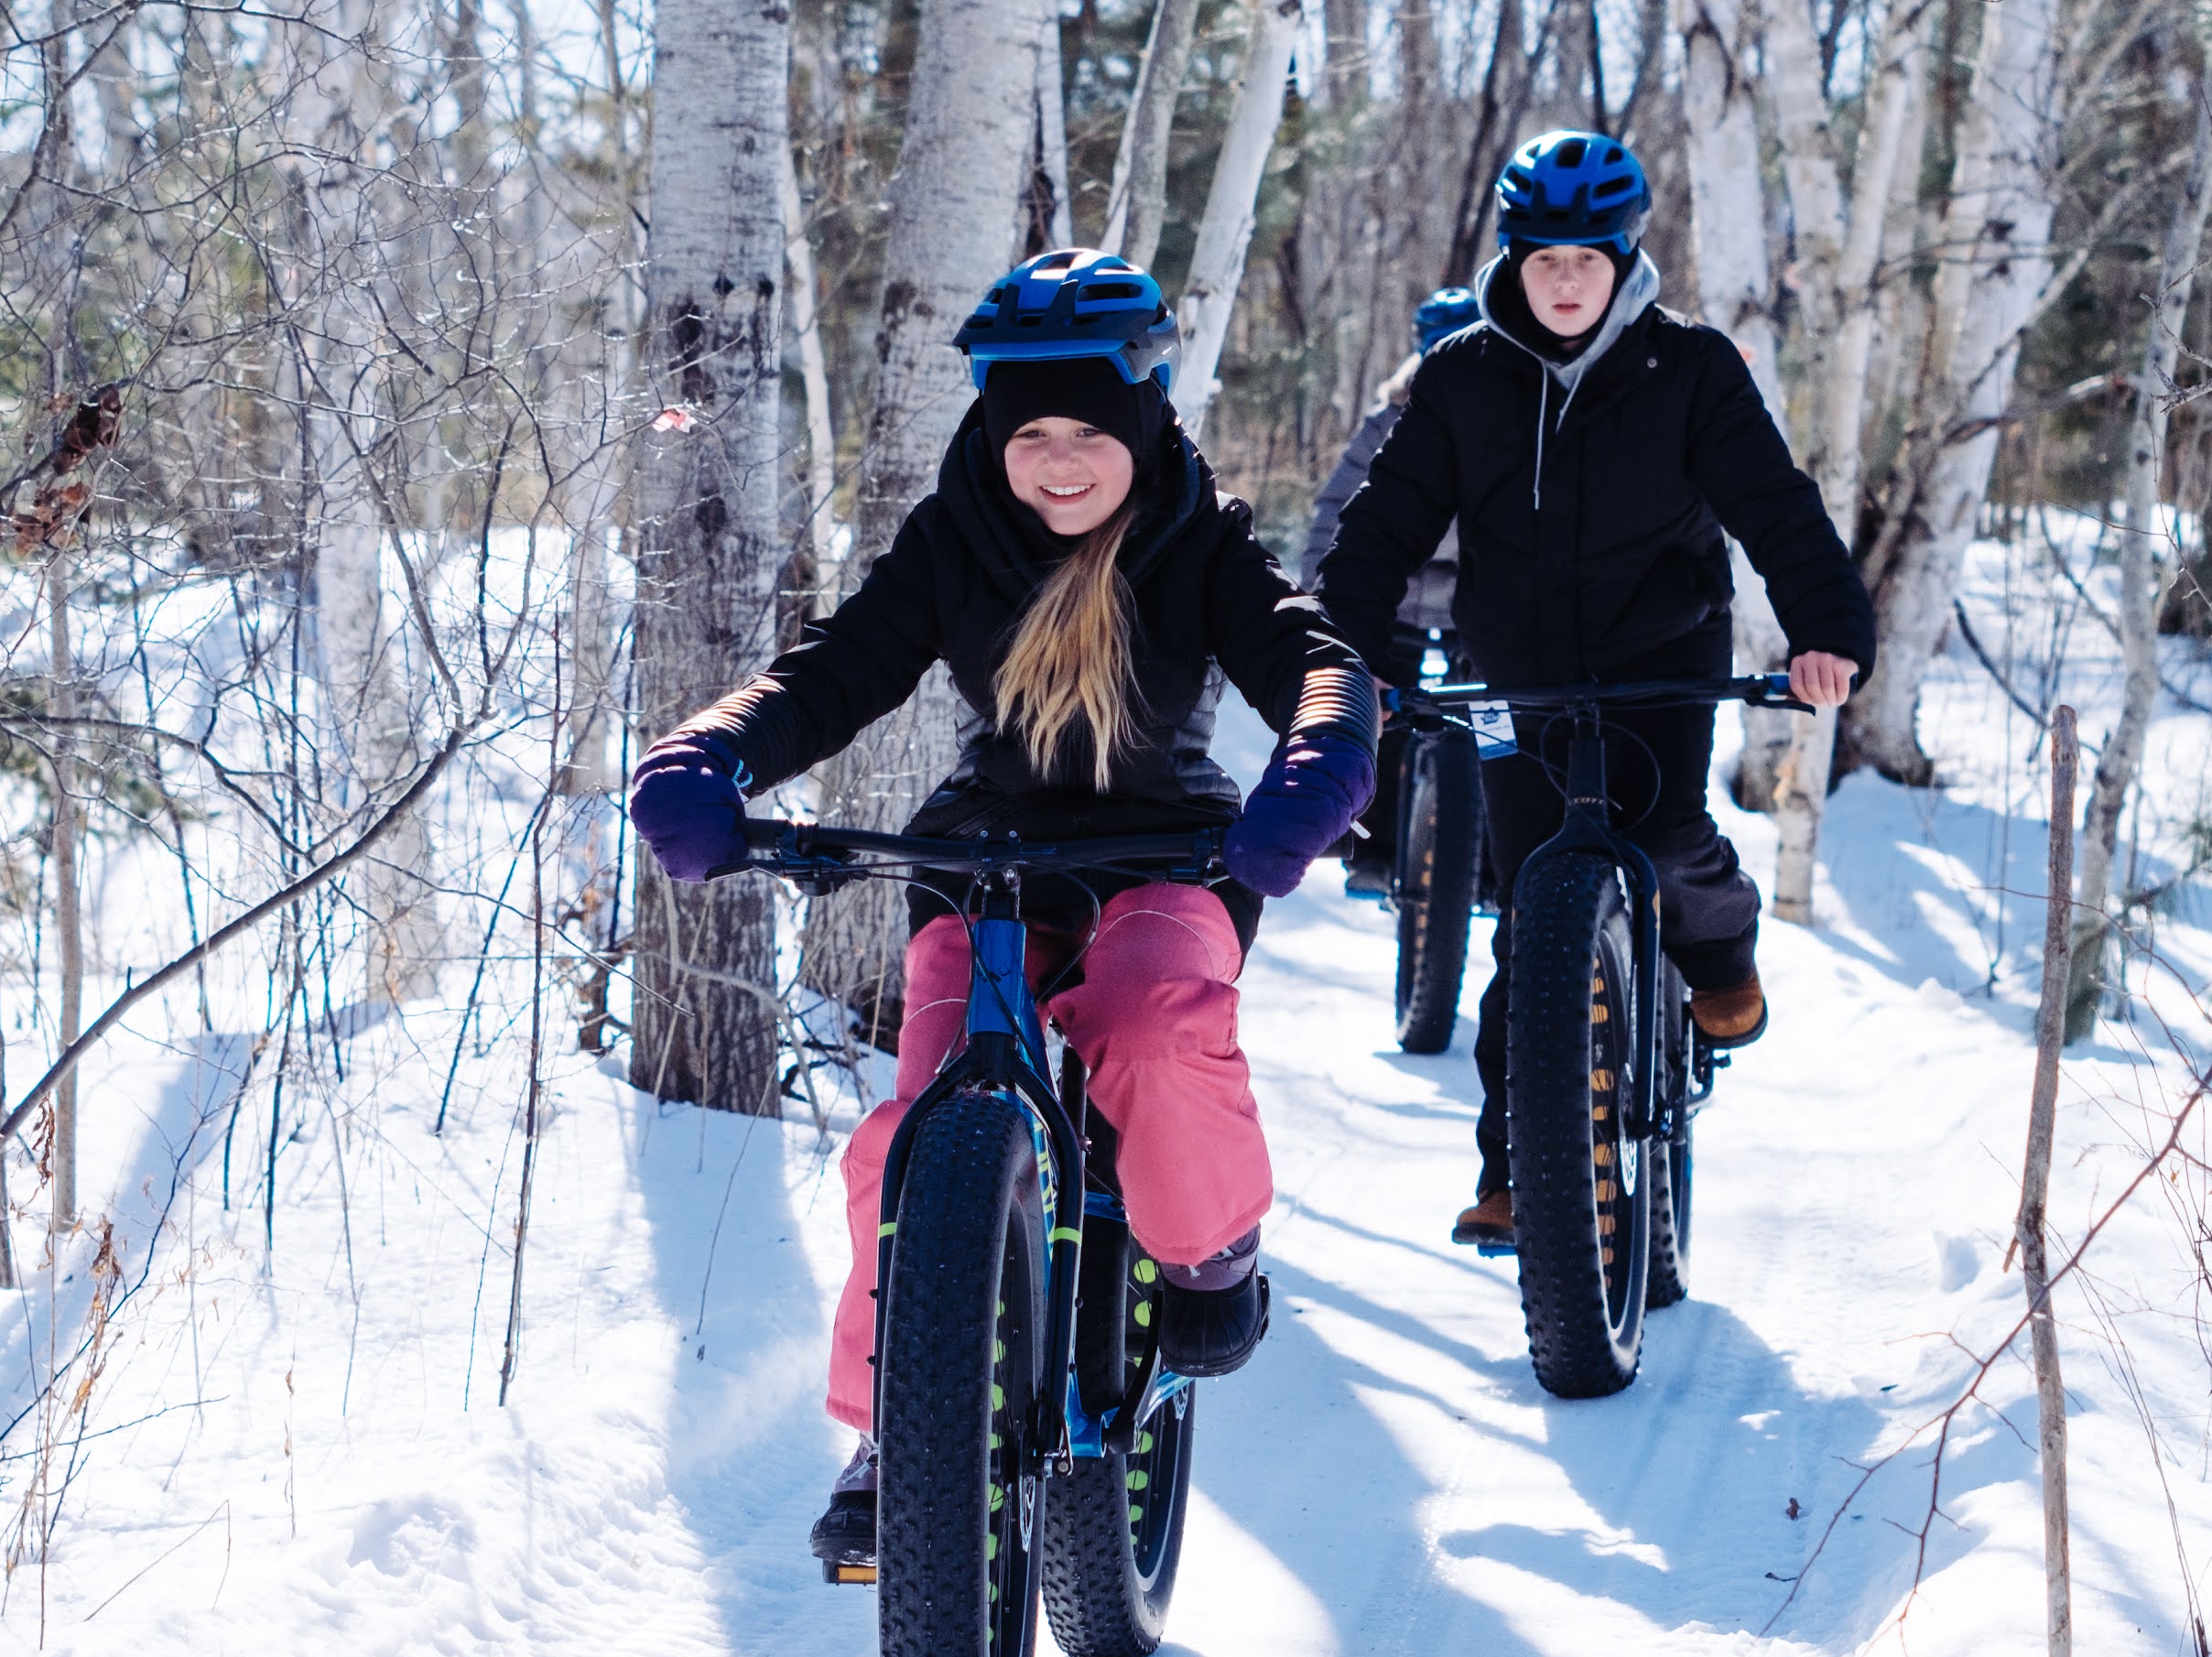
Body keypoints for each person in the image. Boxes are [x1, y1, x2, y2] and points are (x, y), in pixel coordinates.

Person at [628, 254, 1378, 1571]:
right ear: (991, 428)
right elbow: (832, 669)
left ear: (1140, 420)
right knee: (904, 1140)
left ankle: (1203, 1253)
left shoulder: (1199, 539)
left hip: (1168, 854)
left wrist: (1310, 773)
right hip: (986, 860)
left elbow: (1312, 662)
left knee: (1150, 1021)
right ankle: (892, 1439)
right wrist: (714, 751)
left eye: (1089, 431)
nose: (1060, 461)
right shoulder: (953, 537)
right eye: (1031, 433)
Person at [1311, 133, 1874, 1251]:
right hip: (1519, 671)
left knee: (1663, 835)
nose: (1565, 279)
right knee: (1529, 916)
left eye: (1588, 257)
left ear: (1624, 257)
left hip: (1660, 650)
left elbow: (1773, 503)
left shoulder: (1691, 367)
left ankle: (1715, 949)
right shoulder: (1462, 374)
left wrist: (1826, 630)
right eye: (1543, 257)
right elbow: (1381, 523)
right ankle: (1515, 1172)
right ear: (1512, 258)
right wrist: (1349, 648)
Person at [1299, 285, 1484, 891]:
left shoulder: (1503, 419)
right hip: (1396, 593)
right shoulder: (1388, 423)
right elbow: (1336, 512)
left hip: (1474, 597)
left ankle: (1485, 853)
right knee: (1384, 712)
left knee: (1493, 719)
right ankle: (1375, 849)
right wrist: (1319, 595)